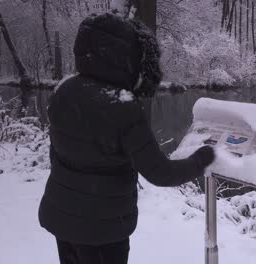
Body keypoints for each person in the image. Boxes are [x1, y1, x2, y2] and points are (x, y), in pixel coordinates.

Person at [38, 13, 215, 264]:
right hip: (104, 229)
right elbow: (160, 173)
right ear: (125, 57)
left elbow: (57, 153)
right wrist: (201, 159)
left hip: (63, 217)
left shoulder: (64, 90)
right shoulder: (122, 105)